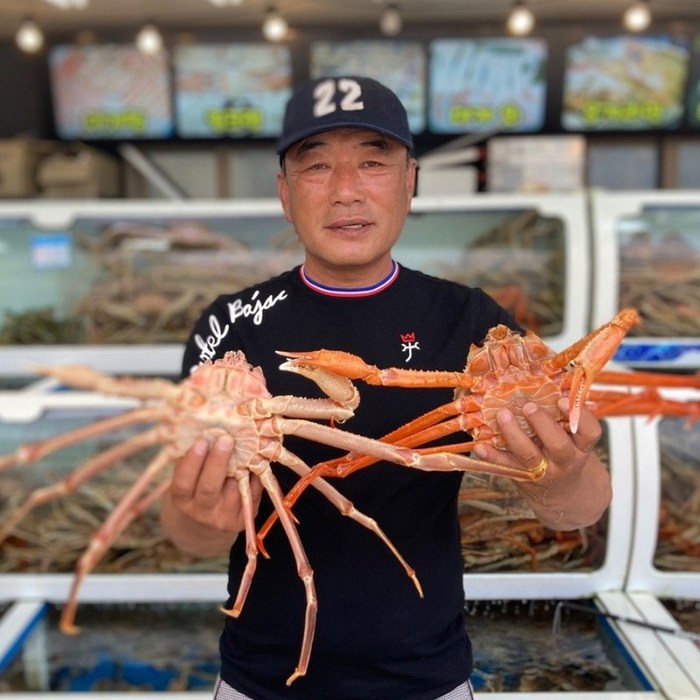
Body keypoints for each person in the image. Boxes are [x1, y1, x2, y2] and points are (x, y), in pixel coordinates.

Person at [160, 75, 612, 700]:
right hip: (258, 679)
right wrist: (200, 516)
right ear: (286, 194)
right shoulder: (227, 329)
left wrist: (560, 475)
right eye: (316, 166)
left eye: (373, 161)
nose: (346, 190)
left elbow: (579, 510)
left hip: (429, 677)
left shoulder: (474, 326)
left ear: (410, 181)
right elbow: (187, 531)